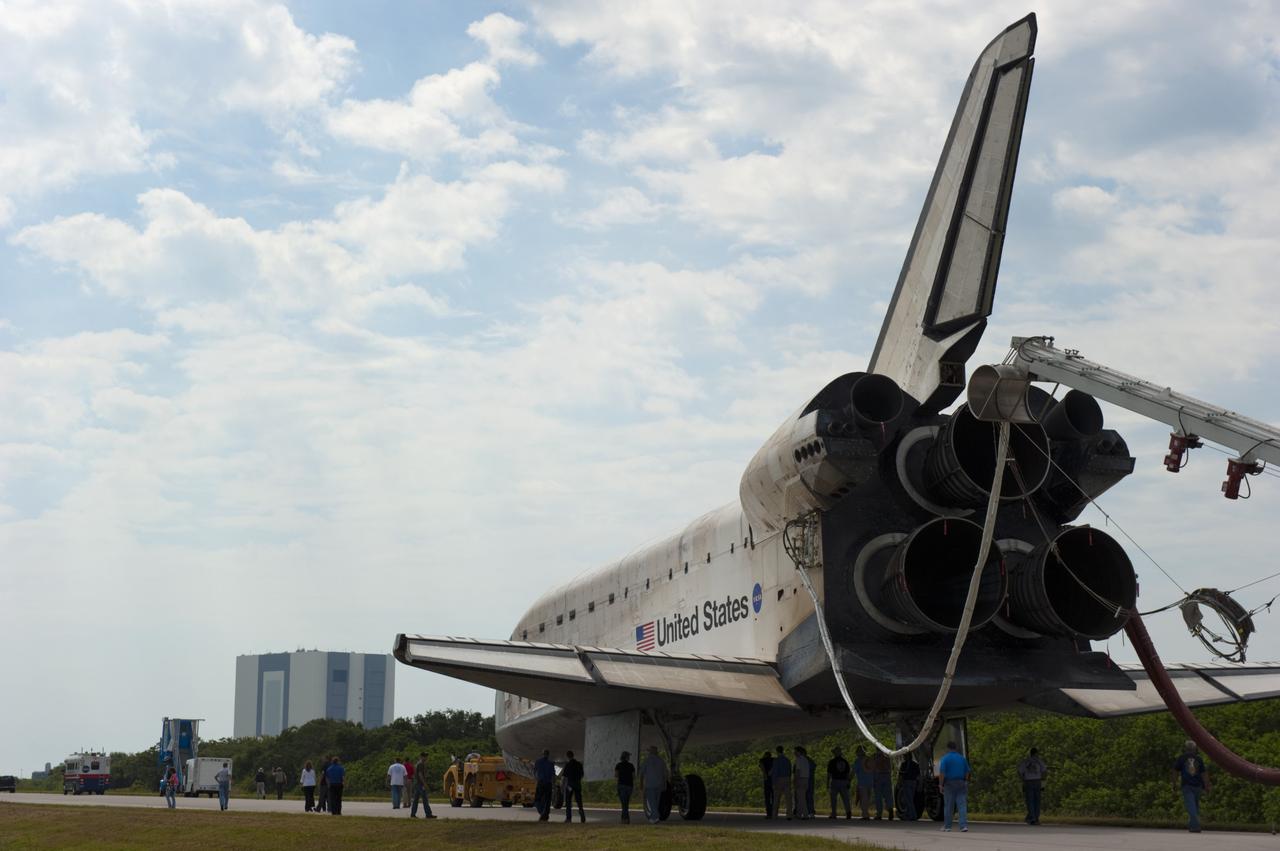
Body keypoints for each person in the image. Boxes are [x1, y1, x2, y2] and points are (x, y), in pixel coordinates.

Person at [1173, 740, 1211, 833]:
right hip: (1198, 786)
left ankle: (1194, 827)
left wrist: (1174, 783)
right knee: (1194, 806)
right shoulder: (1199, 759)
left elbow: (1175, 771)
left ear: (1186, 749)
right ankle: (1193, 825)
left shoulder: (1181, 758)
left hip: (1187, 785)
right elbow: (1204, 774)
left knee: (1192, 806)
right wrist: (1207, 785)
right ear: (1195, 749)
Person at [938, 741, 971, 833]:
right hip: (961, 783)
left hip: (949, 784)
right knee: (962, 805)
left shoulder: (945, 759)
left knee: (949, 806)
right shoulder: (962, 758)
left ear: (948, 748)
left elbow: (942, 773)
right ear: (955, 748)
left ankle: (948, 826)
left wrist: (940, 784)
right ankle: (963, 826)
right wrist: (966, 781)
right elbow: (967, 771)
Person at [1017, 747, 1048, 825]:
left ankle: (1032, 818)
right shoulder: (1039, 761)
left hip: (1028, 781)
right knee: (1037, 800)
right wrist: (1043, 780)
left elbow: (1019, 771)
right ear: (1036, 753)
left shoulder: (1026, 761)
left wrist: (1023, 780)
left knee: (1030, 801)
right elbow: (1044, 771)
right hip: (1037, 781)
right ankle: (1035, 818)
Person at [640, 745, 669, 825]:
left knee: (652, 802)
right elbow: (665, 774)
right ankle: (654, 818)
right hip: (659, 784)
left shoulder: (646, 760)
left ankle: (655, 816)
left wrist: (641, 784)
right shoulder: (661, 761)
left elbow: (642, 773)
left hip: (650, 784)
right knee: (656, 802)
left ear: (650, 752)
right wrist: (665, 784)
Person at [827, 746, 852, 819]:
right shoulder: (845, 762)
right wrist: (848, 782)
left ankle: (834, 813)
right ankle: (848, 812)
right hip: (844, 781)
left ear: (835, 753)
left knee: (833, 799)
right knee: (846, 798)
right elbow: (848, 773)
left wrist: (827, 783)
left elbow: (829, 774)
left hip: (835, 781)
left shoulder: (832, 762)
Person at [410, 752, 437, 818]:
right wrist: (425, 784)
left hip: (417, 783)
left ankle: (413, 814)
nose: (426, 758)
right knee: (425, 799)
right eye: (424, 756)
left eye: (426, 756)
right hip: (420, 784)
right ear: (421, 756)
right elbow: (420, 774)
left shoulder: (418, 764)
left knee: (416, 800)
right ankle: (428, 814)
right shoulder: (421, 764)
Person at [562, 750, 586, 823]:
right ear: (573, 755)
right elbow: (582, 774)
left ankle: (568, 818)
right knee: (579, 800)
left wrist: (563, 785)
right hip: (577, 784)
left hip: (570, 785)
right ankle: (582, 813)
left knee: (568, 801)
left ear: (568, 756)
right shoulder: (579, 764)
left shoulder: (568, 765)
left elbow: (564, 776)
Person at [769, 745, 791, 820]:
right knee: (788, 798)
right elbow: (790, 771)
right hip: (787, 779)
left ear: (777, 751)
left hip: (779, 779)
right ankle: (789, 815)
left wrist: (773, 783)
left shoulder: (776, 760)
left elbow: (775, 772)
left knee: (776, 798)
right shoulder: (787, 760)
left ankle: (775, 815)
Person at [533, 749, 555, 822]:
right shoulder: (551, 763)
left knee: (538, 798)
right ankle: (545, 814)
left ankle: (542, 812)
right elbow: (553, 775)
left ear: (542, 754)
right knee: (547, 800)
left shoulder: (538, 762)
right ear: (548, 755)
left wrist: (537, 779)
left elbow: (534, 772)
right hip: (548, 783)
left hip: (541, 783)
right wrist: (553, 784)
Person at [872, 750, 894, 820]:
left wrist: (874, 778)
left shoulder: (875, 756)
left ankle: (879, 814)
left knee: (878, 796)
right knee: (888, 796)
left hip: (879, 776)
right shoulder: (887, 756)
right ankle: (890, 810)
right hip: (886, 775)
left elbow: (873, 767)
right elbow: (890, 767)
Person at [898, 753, 920, 821]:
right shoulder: (915, 764)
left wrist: (899, 782)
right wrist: (919, 784)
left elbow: (901, 774)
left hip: (907, 782)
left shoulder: (904, 764)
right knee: (910, 799)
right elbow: (918, 775)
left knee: (908, 800)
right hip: (913, 782)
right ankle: (908, 814)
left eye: (904, 756)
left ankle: (913, 815)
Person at [615, 751, 635, 823]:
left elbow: (616, 775)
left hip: (621, 785)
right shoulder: (631, 765)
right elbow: (633, 776)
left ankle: (624, 819)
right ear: (626, 757)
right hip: (629, 786)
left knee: (624, 803)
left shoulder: (618, 765)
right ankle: (626, 818)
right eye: (629, 756)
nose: (629, 757)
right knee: (626, 803)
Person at [853, 746, 872, 819]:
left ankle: (865, 815)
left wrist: (849, 779)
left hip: (862, 783)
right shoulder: (869, 759)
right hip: (870, 782)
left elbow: (853, 771)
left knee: (863, 800)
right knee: (867, 799)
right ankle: (866, 813)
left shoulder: (858, 761)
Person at [792, 746, 811, 819]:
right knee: (800, 798)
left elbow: (798, 771)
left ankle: (806, 815)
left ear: (799, 752)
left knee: (801, 799)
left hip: (800, 779)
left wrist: (795, 780)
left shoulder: (798, 760)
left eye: (795, 751)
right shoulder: (806, 760)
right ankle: (798, 814)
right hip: (806, 779)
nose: (794, 753)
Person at [758, 750, 774, 818]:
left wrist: (765, 775)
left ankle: (769, 813)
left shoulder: (762, 760)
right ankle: (774, 812)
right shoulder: (774, 760)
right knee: (773, 797)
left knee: (767, 797)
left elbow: (762, 767)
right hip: (773, 780)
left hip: (766, 779)